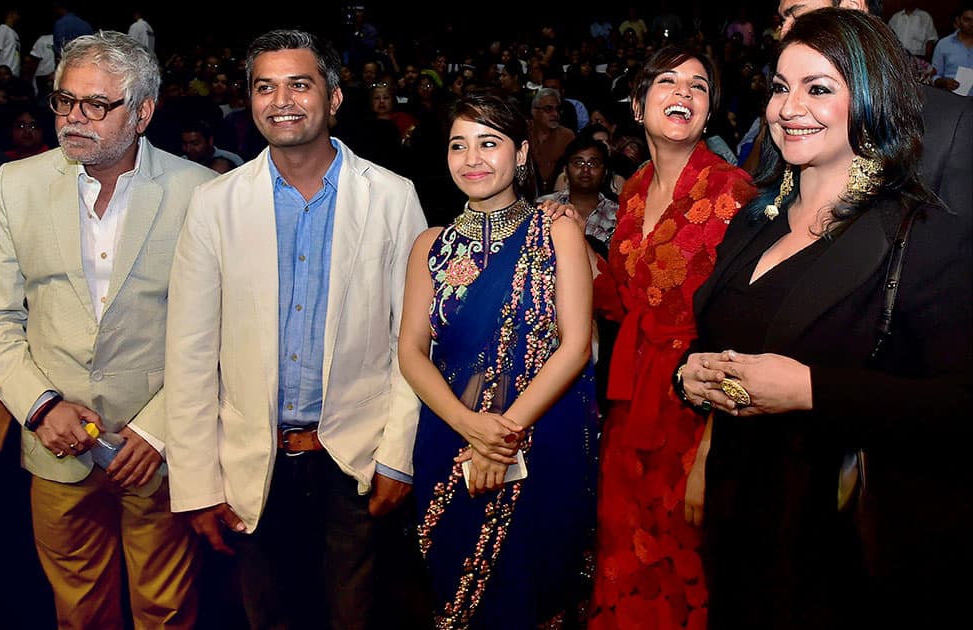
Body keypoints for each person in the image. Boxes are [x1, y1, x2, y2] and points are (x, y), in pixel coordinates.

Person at [677, 9, 971, 628]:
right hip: (739, 515)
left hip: (837, 540)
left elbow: (958, 404)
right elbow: (722, 341)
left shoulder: (922, 235)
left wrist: (811, 391)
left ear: (869, 97)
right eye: (781, 87)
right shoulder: (753, 221)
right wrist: (690, 377)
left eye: (819, 88)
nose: (789, 108)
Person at [164, 29, 427, 629]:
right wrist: (198, 482)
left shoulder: (391, 197)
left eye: (299, 84)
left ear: (333, 98)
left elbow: (409, 343)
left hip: (354, 461)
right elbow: (190, 352)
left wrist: (397, 458)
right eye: (265, 87)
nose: (281, 100)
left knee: (358, 617)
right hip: (252, 463)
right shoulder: (215, 204)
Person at [0, 30, 215, 628]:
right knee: (79, 614)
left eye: (96, 105)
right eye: (64, 101)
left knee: (166, 611)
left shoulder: (201, 192)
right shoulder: (17, 184)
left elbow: (221, 330)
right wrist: (39, 406)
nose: (73, 119)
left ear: (143, 112)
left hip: (157, 454)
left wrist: (158, 432)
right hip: (56, 446)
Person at [398, 89, 598, 628]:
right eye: (458, 146)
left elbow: (576, 344)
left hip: (539, 433)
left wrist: (502, 434)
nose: (472, 159)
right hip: (448, 437)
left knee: (531, 587)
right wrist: (471, 427)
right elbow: (412, 352)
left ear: (523, 154)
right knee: (455, 593)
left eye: (489, 143)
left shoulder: (555, 230)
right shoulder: (430, 246)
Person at [587, 46, 756, 630]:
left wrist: (713, 449)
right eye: (667, 81)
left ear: (708, 114)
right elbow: (621, 299)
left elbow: (748, 331)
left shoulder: (734, 193)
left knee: (687, 570)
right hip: (631, 402)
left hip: (697, 410)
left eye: (699, 86)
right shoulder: (631, 191)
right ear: (638, 105)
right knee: (622, 556)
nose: (683, 92)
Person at [776, 0, 973, 226]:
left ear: (851, 8)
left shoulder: (950, 125)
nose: (784, 31)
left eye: (798, 15)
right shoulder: (785, 121)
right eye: (780, 88)